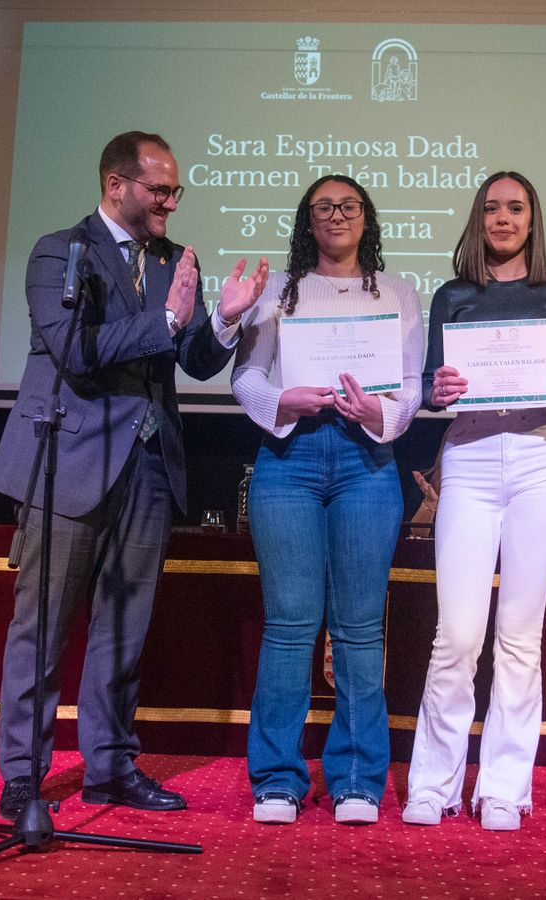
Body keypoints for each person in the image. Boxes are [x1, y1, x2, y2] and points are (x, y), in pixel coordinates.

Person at [0, 131, 268, 819]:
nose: (172, 201)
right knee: (41, 629)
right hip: (69, 462)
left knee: (124, 630)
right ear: (117, 186)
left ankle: (110, 769)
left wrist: (224, 323)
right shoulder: (62, 251)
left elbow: (194, 359)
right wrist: (165, 320)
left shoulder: (172, 259)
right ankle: (23, 776)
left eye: (176, 190)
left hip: (146, 468)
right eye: (160, 189)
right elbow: (75, 349)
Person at [403, 171, 546, 831]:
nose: (504, 218)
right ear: (477, 219)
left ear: (532, 219)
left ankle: (505, 789)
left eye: (516, 208)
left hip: (539, 459)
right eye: (492, 208)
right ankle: (433, 785)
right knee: (457, 633)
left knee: (519, 637)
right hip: (472, 458)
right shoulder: (453, 295)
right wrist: (443, 387)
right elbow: (431, 384)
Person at [231, 175, 424, 825]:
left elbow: (413, 388)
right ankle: (278, 779)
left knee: (360, 628)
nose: (337, 215)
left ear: (367, 219)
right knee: (289, 624)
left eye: (349, 206)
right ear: (307, 221)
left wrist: (382, 412)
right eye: (324, 208)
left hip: (367, 461)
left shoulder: (399, 292)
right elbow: (247, 378)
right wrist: (280, 402)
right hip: (290, 460)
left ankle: (357, 779)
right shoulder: (280, 293)